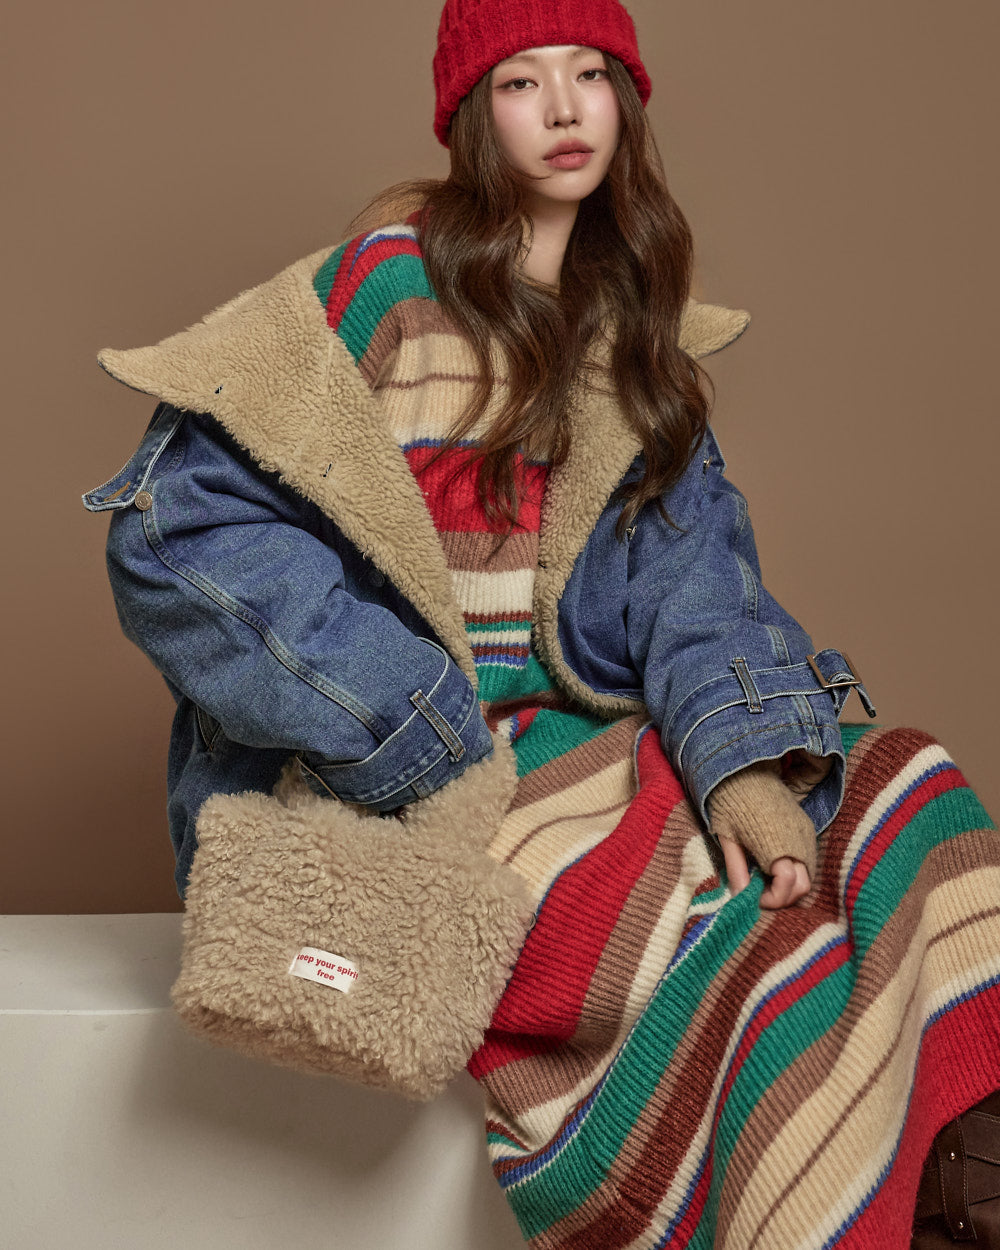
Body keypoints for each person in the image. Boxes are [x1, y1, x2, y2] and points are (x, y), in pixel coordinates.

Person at [84, 1, 1000, 1245]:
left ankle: (955, 1192)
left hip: (592, 745)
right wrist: (413, 726)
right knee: (729, 945)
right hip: (399, 774)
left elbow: (696, 577)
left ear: (627, 98)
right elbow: (180, 529)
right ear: (471, 116)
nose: (564, 109)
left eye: (589, 75)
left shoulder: (628, 328)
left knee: (904, 788)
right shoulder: (383, 288)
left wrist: (739, 763)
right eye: (521, 82)